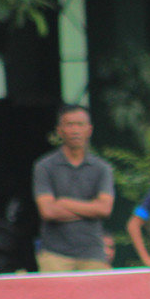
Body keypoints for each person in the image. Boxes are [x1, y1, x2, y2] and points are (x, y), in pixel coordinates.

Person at [32, 105, 114, 272]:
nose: (75, 130)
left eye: (80, 124)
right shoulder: (44, 167)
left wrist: (63, 202)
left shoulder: (102, 168)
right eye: (69, 124)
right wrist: (90, 208)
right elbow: (47, 211)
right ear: (59, 130)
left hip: (93, 254)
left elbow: (105, 209)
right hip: (54, 256)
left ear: (89, 129)